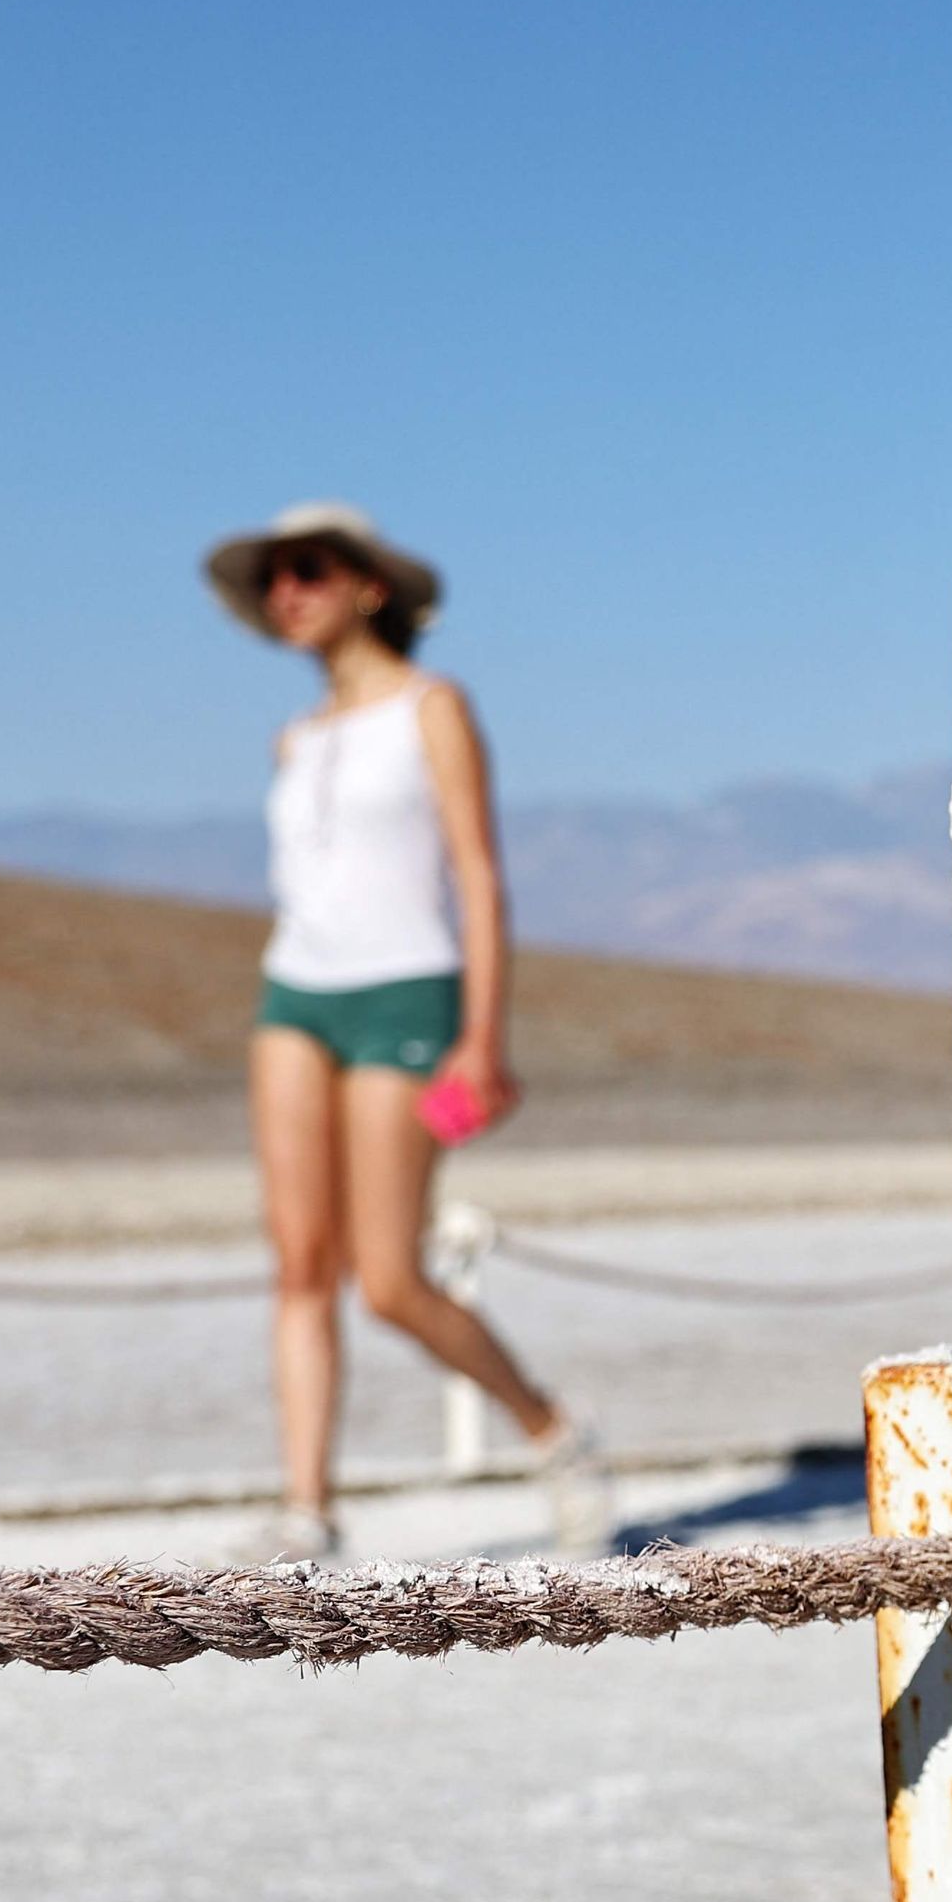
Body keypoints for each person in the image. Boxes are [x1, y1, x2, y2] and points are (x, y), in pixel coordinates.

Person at [203, 502, 594, 1556]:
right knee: (296, 1263)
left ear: (369, 585)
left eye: (310, 569)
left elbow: (477, 872)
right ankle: (306, 1509)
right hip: (295, 993)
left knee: (389, 1280)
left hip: (408, 994)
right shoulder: (296, 736)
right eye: (274, 575)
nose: (289, 590)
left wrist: (482, 1036)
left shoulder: (435, 706)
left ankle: (551, 1428)